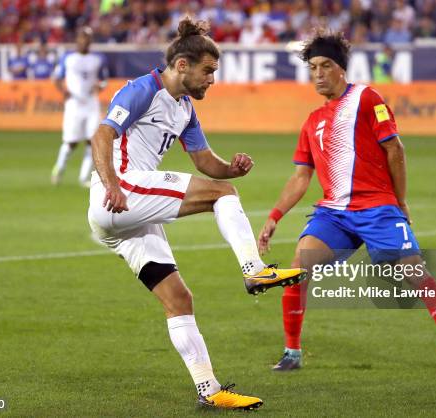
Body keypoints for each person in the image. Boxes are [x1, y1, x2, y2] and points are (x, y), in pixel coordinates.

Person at [87, 18, 305, 410]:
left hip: (129, 216)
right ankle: (254, 269)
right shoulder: (142, 90)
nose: (212, 80)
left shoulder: (184, 108)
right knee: (223, 195)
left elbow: (206, 162)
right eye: (208, 71)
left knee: (179, 298)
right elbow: (102, 135)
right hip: (120, 192)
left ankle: (210, 390)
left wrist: (231, 168)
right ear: (183, 65)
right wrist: (112, 186)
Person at [257, 30, 436, 376]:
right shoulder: (312, 122)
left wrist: (400, 202)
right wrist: (274, 216)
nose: (318, 73)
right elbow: (302, 176)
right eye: (313, 67)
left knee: (414, 272)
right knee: (298, 268)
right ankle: (291, 353)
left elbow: (395, 149)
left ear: (341, 68)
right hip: (334, 214)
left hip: (377, 207)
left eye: (325, 65)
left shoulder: (366, 98)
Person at [51, 26, 109, 187]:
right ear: (77, 39)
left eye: (87, 38)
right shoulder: (67, 58)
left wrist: (100, 87)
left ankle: (84, 178)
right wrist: (63, 90)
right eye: (81, 37)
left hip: (91, 103)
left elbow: (104, 79)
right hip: (74, 104)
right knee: (71, 142)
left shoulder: (98, 59)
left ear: (90, 41)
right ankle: (59, 169)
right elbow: (56, 77)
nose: (84, 41)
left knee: (93, 141)